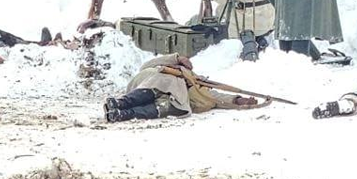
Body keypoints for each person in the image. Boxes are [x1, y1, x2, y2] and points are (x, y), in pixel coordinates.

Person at [103, 53, 260, 123]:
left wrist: (238, 100)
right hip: (149, 85)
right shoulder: (160, 69)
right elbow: (146, 65)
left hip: (174, 102)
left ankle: (121, 114)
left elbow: (217, 97)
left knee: (161, 106)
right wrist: (175, 58)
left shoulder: (197, 85)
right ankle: (119, 104)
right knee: (158, 84)